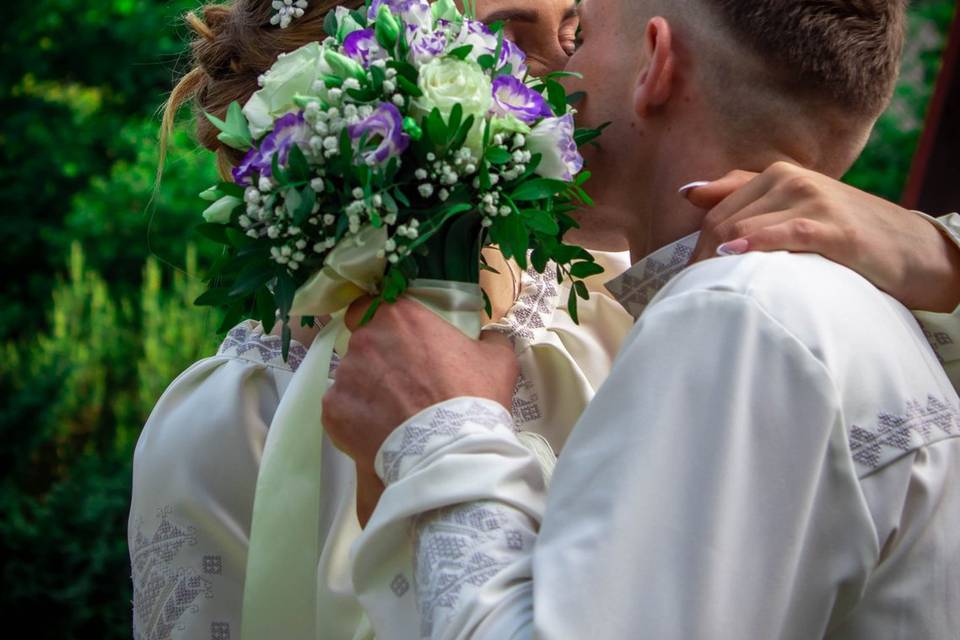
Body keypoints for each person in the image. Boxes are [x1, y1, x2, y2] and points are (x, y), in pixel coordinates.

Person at [128, 0, 960, 638]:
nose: (561, 78)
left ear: (655, 63)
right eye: (508, 39)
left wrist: (440, 439)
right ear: (348, 99)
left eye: (575, 30)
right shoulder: (229, 421)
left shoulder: (688, 320)